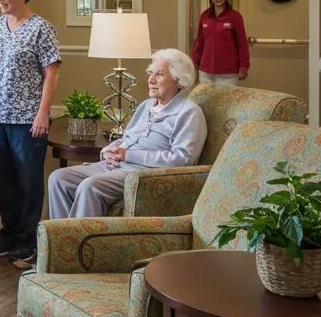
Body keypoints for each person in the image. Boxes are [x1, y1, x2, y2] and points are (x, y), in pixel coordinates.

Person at [48, 49, 207, 220]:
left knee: (90, 186)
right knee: (59, 178)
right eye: (151, 73)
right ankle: (62, 239)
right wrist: (108, 150)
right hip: (116, 166)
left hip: (142, 173)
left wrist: (129, 155)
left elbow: (182, 159)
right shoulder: (146, 105)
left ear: (179, 80)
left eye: (159, 74)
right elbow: (127, 137)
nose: (151, 80)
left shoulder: (189, 113)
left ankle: (79, 244)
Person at [0, 0, 61, 270]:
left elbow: (52, 73)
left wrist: (42, 112)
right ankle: (8, 235)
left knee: (28, 179)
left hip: (27, 118)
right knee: (3, 179)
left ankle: (27, 242)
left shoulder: (41, 28)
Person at [191, 0, 249, 85]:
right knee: (206, 101)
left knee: (225, 101)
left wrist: (244, 67)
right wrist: (194, 60)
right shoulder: (205, 15)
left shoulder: (235, 16)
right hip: (206, 70)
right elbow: (199, 41)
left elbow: (242, 44)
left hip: (228, 72)